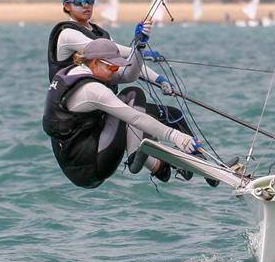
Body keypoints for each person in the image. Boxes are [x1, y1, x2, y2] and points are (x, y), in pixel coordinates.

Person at [43, 38, 200, 188]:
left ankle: (161, 167)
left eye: (117, 67)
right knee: (133, 95)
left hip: (78, 165)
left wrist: (140, 48)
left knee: (157, 111)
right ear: (96, 62)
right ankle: (135, 158)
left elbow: (130, 75)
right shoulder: (93, 90)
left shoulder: (75, 71)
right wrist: (175, 136)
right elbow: (135, 117)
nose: (115, 71)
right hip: (93, 166)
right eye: (112, 67)